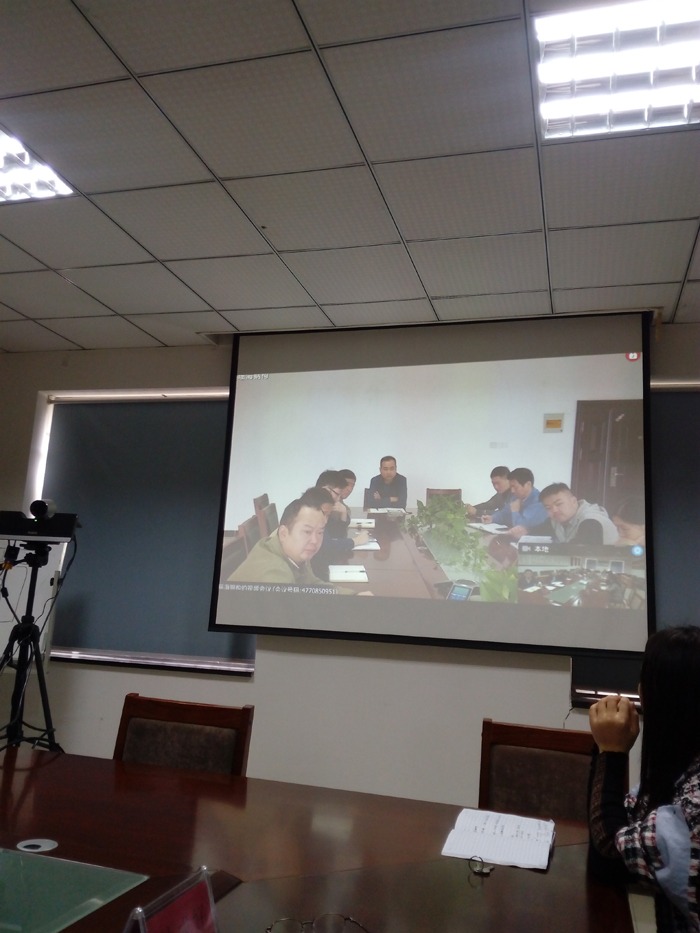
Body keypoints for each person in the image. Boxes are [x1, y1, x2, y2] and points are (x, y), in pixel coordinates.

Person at [588, 626, 700, 932]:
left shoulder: (692, 809)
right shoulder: (683, 772)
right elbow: (621, 822)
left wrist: (611, 752)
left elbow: (608, 857)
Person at [228, 491, 359, 593]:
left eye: (320, 532)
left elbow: (312, 585)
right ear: (283, 533)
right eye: (307, 532)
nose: (315, 541)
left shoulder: (294, 553)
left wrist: (354, 595)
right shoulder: (274, 576)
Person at [310, 471, 369, 580]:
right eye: (337, 494)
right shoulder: (312, 509)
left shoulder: (321, 507)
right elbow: (326, 545)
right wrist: (356, 541)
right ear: (326, 489)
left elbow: (336, 534)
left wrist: (343, 514)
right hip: (311, 571)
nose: (338, 499)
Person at [538, 483, 618, 545]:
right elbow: (537, 533)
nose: (554, 510)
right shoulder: (556, 519)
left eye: (559, 504)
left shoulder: (591, 520)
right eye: (548, 507)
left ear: (573, 501)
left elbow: (583, 550)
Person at [482, 468, 548, 538]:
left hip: (534, 540)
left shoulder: (538, 501)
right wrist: (492, 518)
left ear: (528, 484)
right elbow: (504, 513)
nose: (512, 491)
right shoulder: (516, 497)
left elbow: (520, 527)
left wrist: (515, 511)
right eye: (511, 487)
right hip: (516, 538)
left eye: (515, 487)